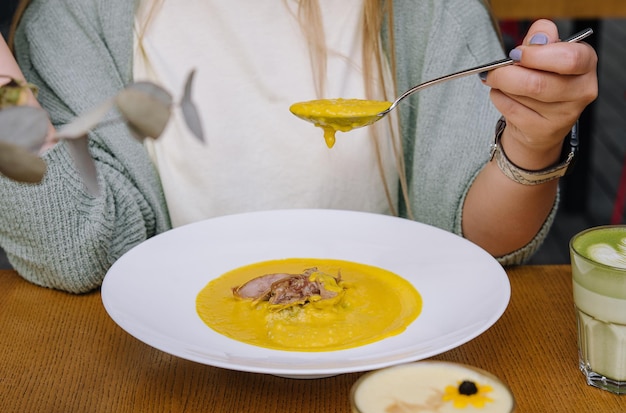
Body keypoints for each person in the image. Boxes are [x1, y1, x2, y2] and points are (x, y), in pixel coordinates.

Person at [0, 0, 597, 293]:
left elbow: (483, 241)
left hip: (386, 365)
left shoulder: (421, 10)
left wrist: (531, 141)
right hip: (171, 374)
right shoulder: (76, 18)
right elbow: (78, 249)